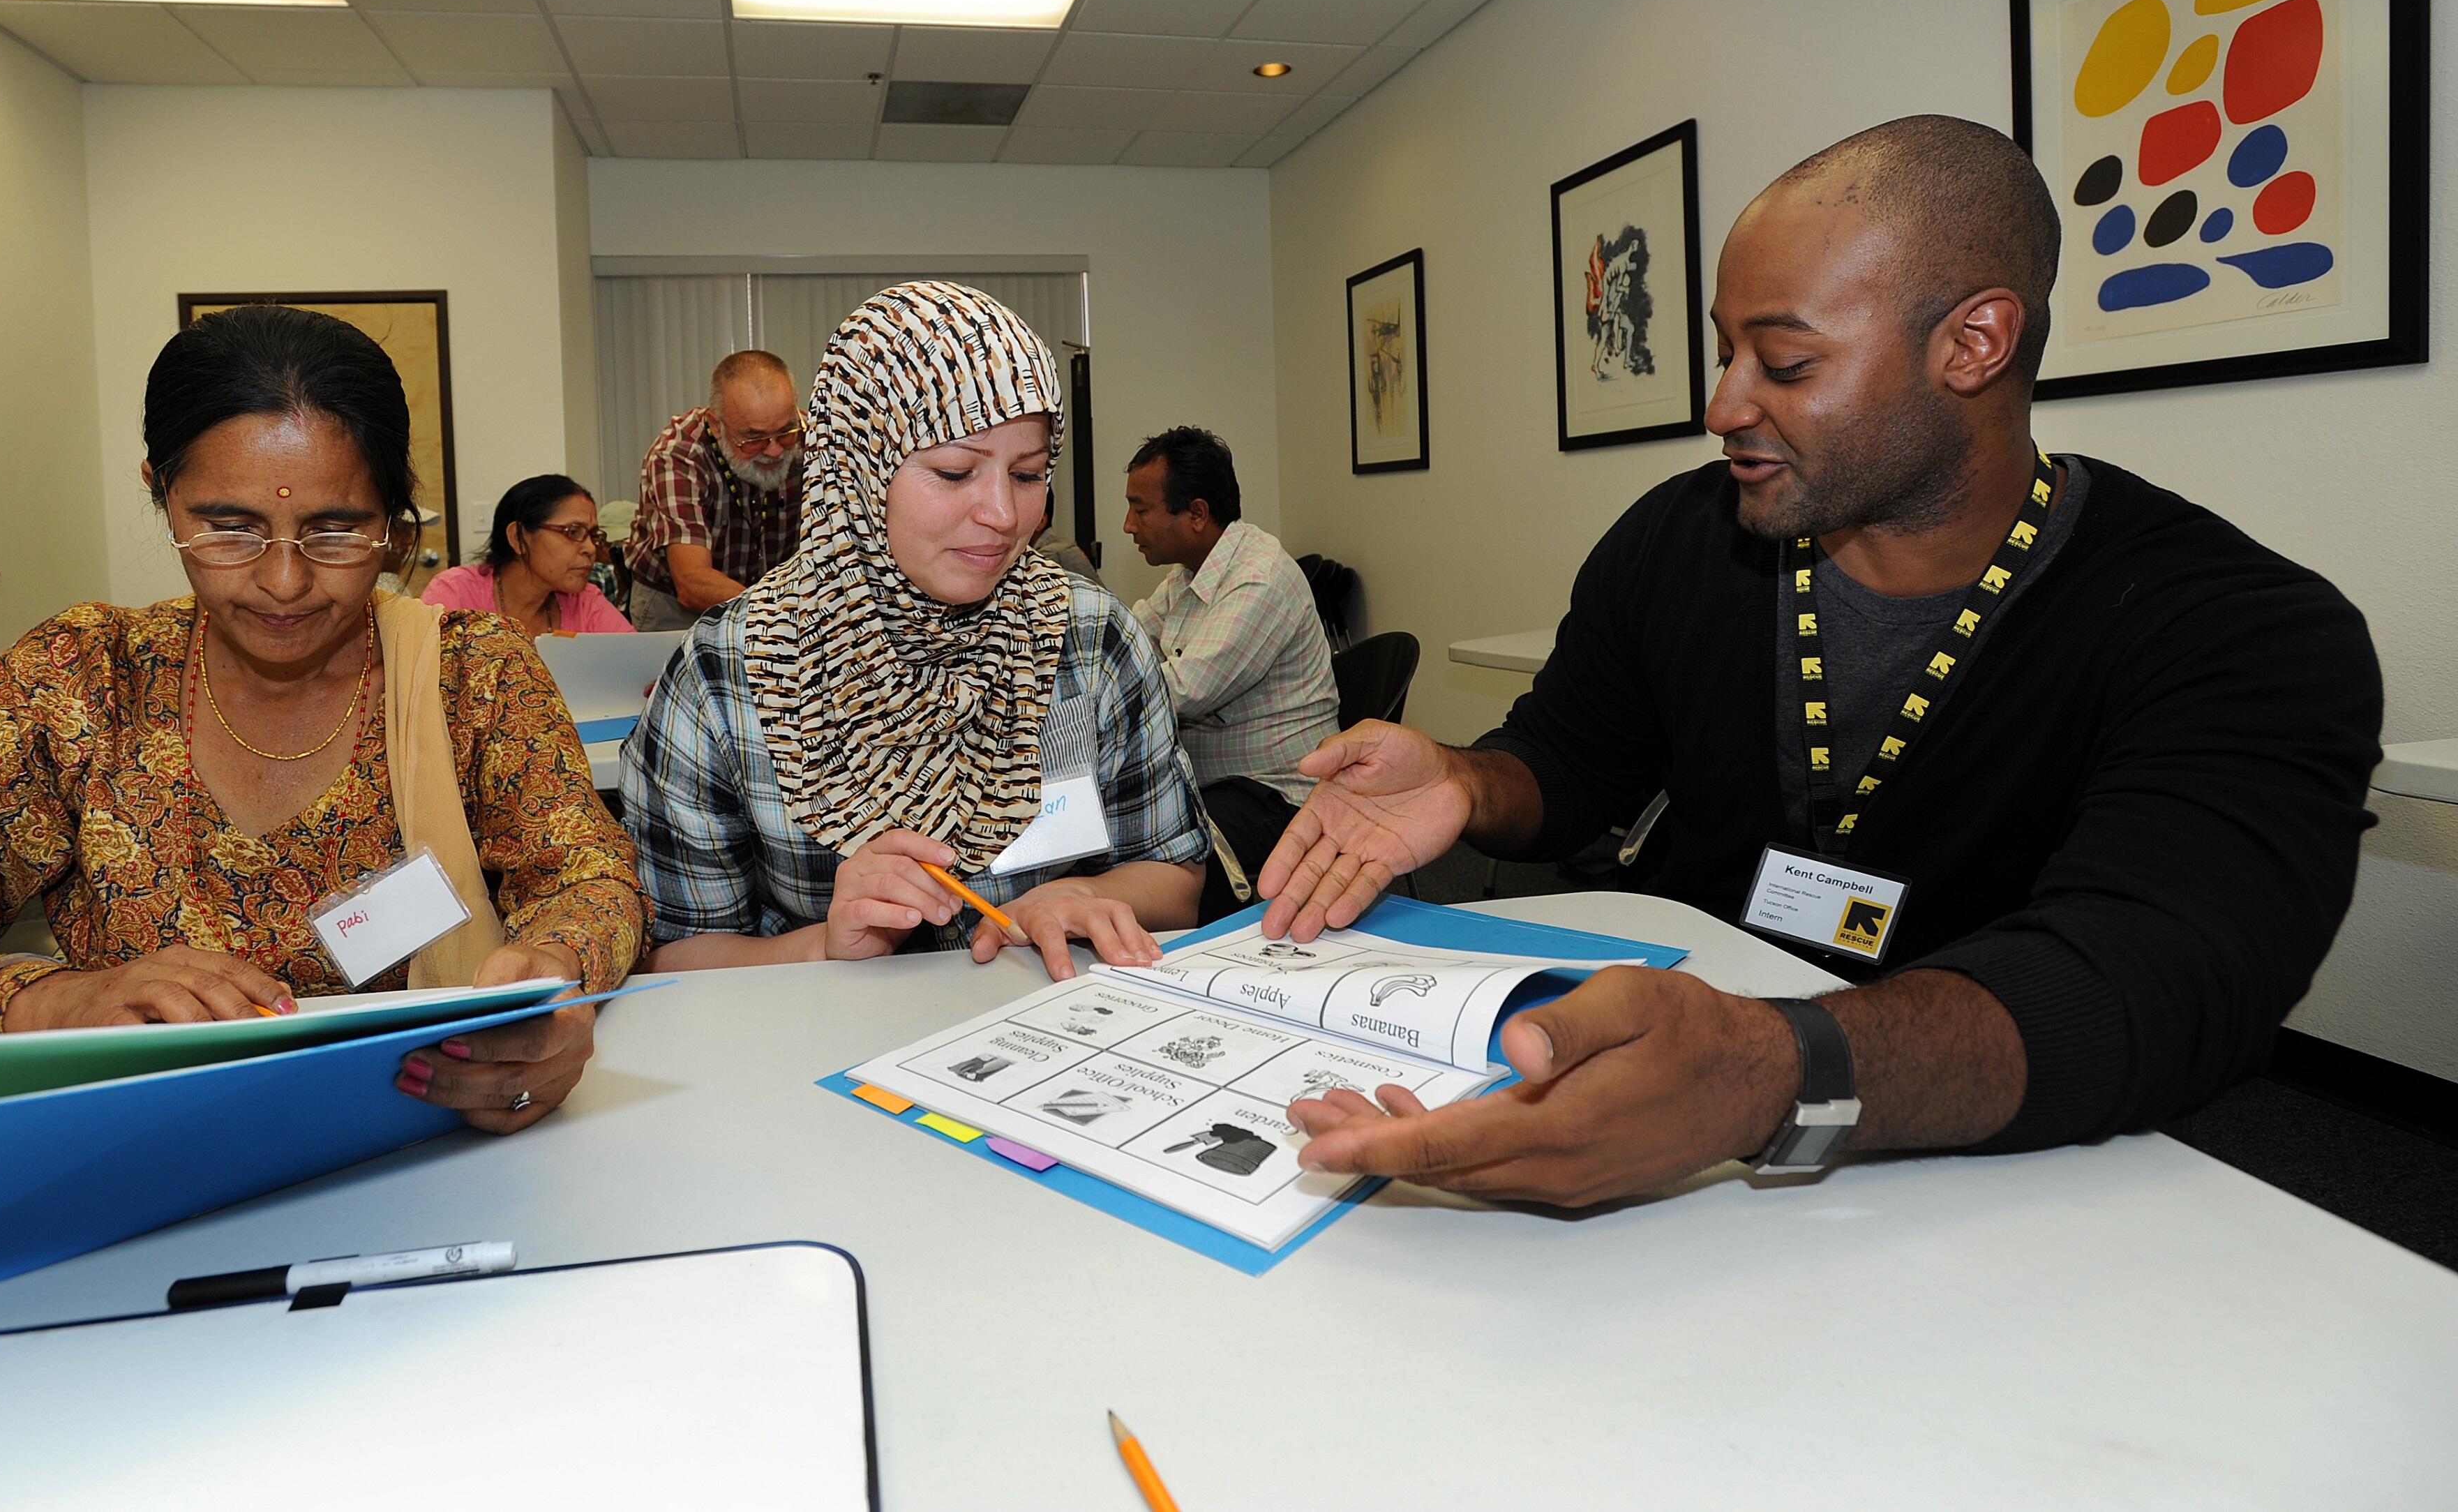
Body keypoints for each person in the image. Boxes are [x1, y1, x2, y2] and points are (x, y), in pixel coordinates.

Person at [1259, 114, 2381, 1206]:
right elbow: (1570, 759)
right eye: (1723, 348)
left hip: (1997, 1160)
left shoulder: (2239, 629)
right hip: (1661, 1071)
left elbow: (2152, 978)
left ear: (1974, 344)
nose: (1722, 405)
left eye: (1786, 363)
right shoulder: (1681, 537)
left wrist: (1768, 1070)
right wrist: (1466, 780)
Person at [0, 306, 649, 1135]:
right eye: (227, 528)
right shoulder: (80, 681)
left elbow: (590, 877)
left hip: (420, 1147)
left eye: (339, 532)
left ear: (395, 521)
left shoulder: (470, 674)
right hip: (139, 1156)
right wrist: (48, 1001)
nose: (286, 582)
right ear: (160, 492)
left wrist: (553, 977)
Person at [622, 282, 1208, 980]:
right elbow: (675, 953)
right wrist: (822, 946)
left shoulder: (1090, 637)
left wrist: (1084, 895)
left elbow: (1177, 878)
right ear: (858, 471)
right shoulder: (729, 672)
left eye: (1027, 474)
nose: (1001, 514)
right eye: (955, 471)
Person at [1124, 426, 1340, 915]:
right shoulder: (1189, 573)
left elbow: (1178, 694)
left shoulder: (1259, 579)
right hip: (1217, 788)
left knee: (1148, 876)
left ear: (1196, 514)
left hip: (1278, 801)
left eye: (1141, 509)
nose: (1128, 525)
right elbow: (1129, 642)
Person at [624, 349, 805, 631]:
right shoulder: (678, 455)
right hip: (675, 604)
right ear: (716, 425)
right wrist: (777, 609)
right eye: (753, 438)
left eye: (785, 432)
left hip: (773, 599)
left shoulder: (815, 437)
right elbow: (691, 582)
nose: (774, 450)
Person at [422, 473, 636, 635]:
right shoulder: (455, 594)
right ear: (518, 537)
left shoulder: (585, 602)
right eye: (573, 532)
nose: (590, 548)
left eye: (593, 535)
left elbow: (639, 666)